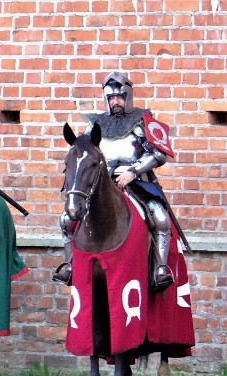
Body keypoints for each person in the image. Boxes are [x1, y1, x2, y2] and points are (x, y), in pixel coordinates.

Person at [53, 71, 174, 292]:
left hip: (136, 181)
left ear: (128, 97)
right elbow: (84, 152)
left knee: (159, 215)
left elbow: (159, 154)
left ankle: (160, 268)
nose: (115, 102)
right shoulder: (94, 124)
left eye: (119, 97)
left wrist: (133, 173)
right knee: (66, 219)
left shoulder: (143, 120)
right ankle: (70, 265)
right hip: (100, 181)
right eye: (111, 98)